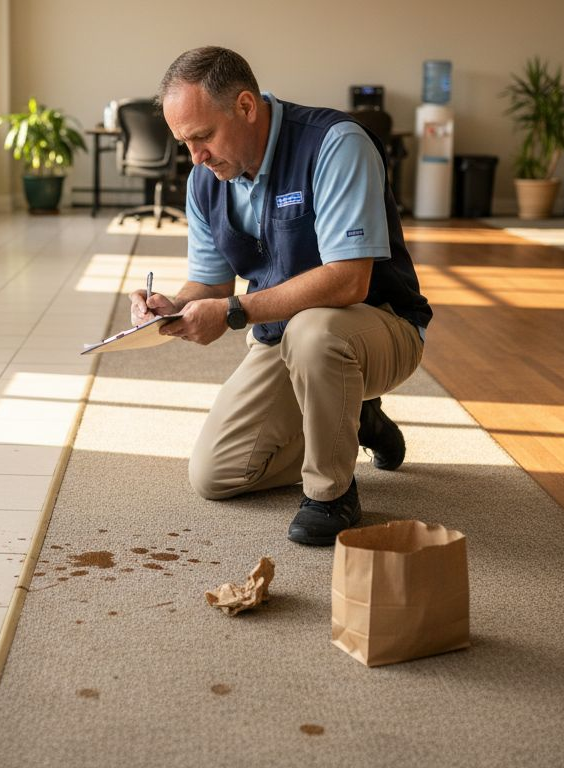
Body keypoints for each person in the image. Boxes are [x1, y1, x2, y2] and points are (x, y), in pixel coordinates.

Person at [130, 46, 432, 546]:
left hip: (379, 323)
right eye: (185, 142)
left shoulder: (335, 145)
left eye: (203, 136)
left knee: (315, 332)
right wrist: (174, 305)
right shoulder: (206, 181)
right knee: (216, 475)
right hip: (284, 338)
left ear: (246, 107)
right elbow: (211, 283)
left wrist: (234, 312)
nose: (196, 157)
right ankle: (354, 418)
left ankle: (331, 495)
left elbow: (347, 280)